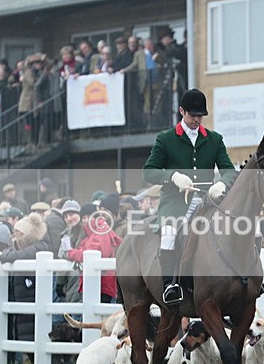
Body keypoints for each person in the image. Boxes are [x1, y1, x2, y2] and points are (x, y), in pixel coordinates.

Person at [142, 88, 237, 304]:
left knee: (237, 226)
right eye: (192, 115)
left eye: (200, 116)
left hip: (208, 200)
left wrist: (221, 184)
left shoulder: (214, 139)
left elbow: (229, 170)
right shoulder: (165, 139)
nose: (196, 120)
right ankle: (170, 286)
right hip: (175, 203)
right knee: (169, 235)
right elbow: (148, 171)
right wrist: (173, 176)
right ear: (181, 111)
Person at [0, 213, 49, 364]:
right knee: (24, 330)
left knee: (32, 330)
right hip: (22, 296)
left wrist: (6, 256)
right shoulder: (21, 248)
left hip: (31, 295)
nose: (14, 236)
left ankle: (38, 362)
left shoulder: (39, 247)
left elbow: (20, 255)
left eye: (18, 233)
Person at [61, 204, 123, 303]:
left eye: (88, 217)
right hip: (95, 282)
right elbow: (84, 251)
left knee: (99, 314)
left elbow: (94, 253)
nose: (85, 220)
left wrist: (71, 254)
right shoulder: (89, 235)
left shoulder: (101, 231)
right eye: (83, 218)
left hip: (103, 284)